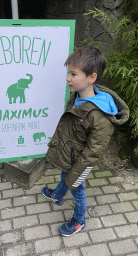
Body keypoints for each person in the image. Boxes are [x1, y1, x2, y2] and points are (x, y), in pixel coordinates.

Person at [41, 46, 130, 237]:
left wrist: (77, 171)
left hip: (81, 161)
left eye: (73, 74)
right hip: (69, 152)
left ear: (92, 77)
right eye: (68, 73)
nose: (68, 78)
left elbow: (93, 152)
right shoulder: (77, 96)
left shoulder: (100, 116)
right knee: (66, 175)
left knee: (76, 187)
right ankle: (56, 195)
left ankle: (79, 221)